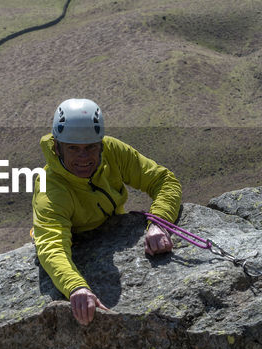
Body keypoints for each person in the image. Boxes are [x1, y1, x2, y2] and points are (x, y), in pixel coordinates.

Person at [32, 98, 182, 324]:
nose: (84, 158)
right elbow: (52, 245)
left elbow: (163, 181)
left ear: (100, 144)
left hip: (112, 226)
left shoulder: (111, 151)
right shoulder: (49, 190)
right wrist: (76, 287)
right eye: (73, 148)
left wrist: (159, 223)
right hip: (75, 240)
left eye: (90, 147)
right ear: (57, 147)